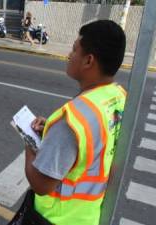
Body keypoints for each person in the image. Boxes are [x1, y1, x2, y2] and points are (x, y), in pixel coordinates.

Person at [24, 20, 127, 225]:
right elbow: (91, 145)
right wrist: (52, 135)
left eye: (73, 50)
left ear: (88, 61)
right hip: (87, 216)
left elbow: (41, 185)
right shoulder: (118, 96)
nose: (69, 55)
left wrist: (29, 143)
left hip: (55, 219)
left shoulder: (71, 122)